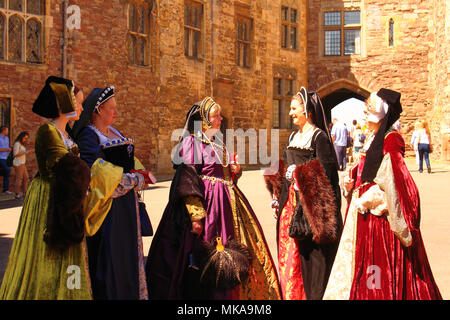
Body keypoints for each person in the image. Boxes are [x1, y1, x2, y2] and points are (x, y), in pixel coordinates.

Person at [146, 97, 281, 300]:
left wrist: (235, 171)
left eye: (219, 115)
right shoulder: (191, 142)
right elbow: (188, 179)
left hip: (226, 207)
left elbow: (223, 174)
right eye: (215, 116)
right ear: (204, 120)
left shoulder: (218, 142)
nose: (220, 119)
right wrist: (196, 216)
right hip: (208, 207)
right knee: (203, 255)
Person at [323, 89, 442, 300]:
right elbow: (363, 171)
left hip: (380, 221)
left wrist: (373, 197)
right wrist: (350, 184)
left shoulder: (391, 139)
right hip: (362, 216)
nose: (365, 114)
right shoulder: (372, 138)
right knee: (363, 266)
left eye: (370, 110)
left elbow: (398, 180)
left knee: (377, 268)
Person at [0, 76, 93, 299]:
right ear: (65, 104)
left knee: (68, 258)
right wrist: (86, 174)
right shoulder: (47, 131)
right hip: (48, 199)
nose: (81, 107)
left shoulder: (65, 134)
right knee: (46, 257)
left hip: (65, 197)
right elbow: (65, 168)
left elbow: (73, 169)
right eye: (77, 102)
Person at [71, 86, 152, 300]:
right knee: (111, 260)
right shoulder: (89, 136)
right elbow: (94, 171)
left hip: (126, 207)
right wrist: (132, 180)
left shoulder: (116, 133)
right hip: (107, 211)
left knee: (127, 257)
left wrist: (141, 173)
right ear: (98, 110)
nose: (116, 113)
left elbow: (130, 161)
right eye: (111, 108)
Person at [264, 88, 343, 300]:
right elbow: (284, 167)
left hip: (307, 209)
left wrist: (299, 174)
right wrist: (275, 192)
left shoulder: (319, 138)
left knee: (309, 259)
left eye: (293, 108)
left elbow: (328, 176)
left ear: (307, 110)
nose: (290, 113)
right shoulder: (293, 136)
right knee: (288, 256)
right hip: (288, 204)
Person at [12, 131, 33, 199]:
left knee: (26, 178)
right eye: (25, 138)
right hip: (18, 163)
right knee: (19, 178)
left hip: (22, 163)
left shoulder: (21, 144)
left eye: (26, 138)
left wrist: (26, 152)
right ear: (21, 137)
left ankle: (25, 193)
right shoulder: (17, 144)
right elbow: (15, 154)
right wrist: (25, 153)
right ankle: (17, 194)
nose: (25, 139)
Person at [0, 125, 12, 194]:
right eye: (7, 130)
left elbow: (7, 147)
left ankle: (5, 189)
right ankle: (5, 189)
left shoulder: (7, 138)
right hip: (1, 158)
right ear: (3, 130)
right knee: (7, 170)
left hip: (6, 158)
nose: (8, 131)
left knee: (7, 172)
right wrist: (7, 149)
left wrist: (9, 149)